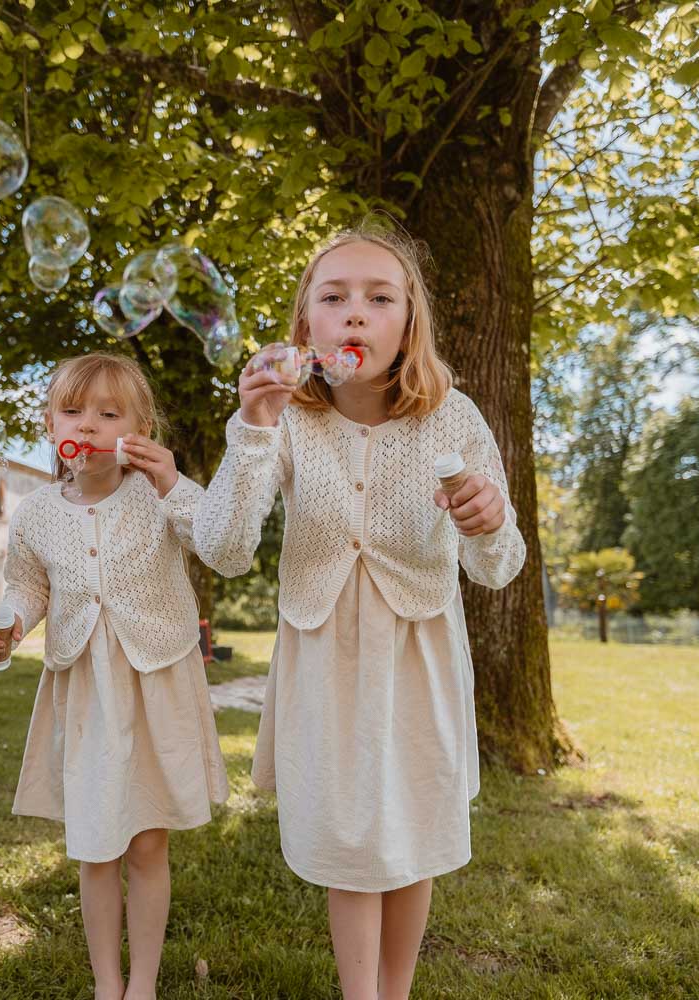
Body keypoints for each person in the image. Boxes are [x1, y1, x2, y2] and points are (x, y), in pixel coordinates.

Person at [194, 224, 526, 1000]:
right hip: (325, 655)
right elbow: (223, 548)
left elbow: (500, 567)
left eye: (380, 298)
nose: (355, 313)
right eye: (333, 296)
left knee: (410, 833)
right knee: (349, 837)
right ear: (304, 323)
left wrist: (488, 520)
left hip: (416, 653)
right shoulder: (286, 419)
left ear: (409, 323)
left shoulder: (454, 418)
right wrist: (253, 430)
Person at [0, 352, 229, 1000]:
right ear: (49, 421)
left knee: (146, 845)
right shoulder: (35, 513)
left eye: (108, 414)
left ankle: (141, 983)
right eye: (72, 410)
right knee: (95, 848)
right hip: (86, 690)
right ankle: (105, 983)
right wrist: (8, 627)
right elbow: (27, 587)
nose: (86, 425)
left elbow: (218, 543)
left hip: (154, 687)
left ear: (139, 430)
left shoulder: (158, 497)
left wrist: (174, 481)